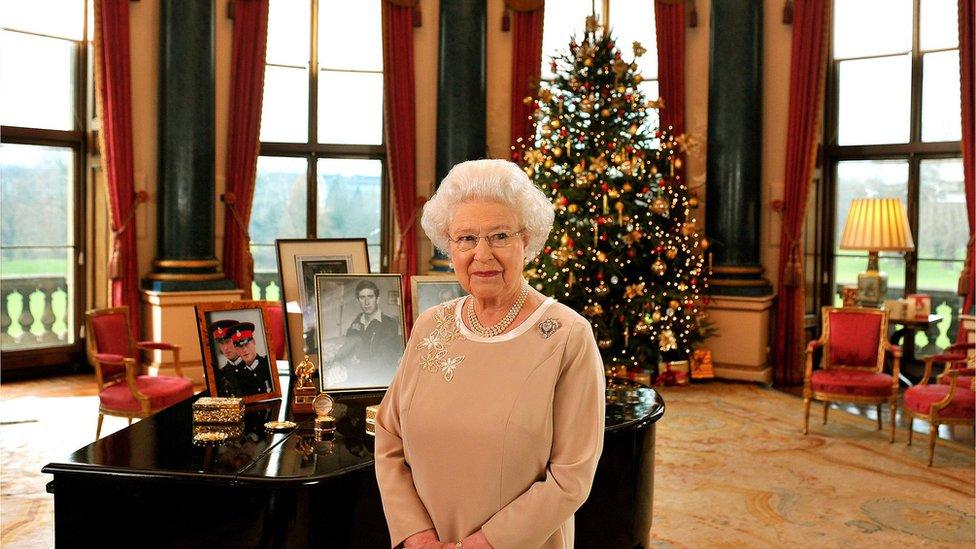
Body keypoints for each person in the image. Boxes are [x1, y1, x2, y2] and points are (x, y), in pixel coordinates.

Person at [375, 159, 606, 549]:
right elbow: (388, 436)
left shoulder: (568, 336)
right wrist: (416, 536)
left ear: (527, 241)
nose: (481, 255)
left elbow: (572, 477)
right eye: (465, 239)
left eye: (499, 236)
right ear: (449, 246)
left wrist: (485, 544)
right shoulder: (432, 324)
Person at [336, 279, 403, 372]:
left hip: (379, 376)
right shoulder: (357, 321)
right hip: (356, 373)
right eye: (362, 297)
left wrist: (356, 366)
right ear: (357, 301)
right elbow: (347, 347)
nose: (366, 302)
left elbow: (385, 359)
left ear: (377, 299)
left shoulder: (389, 324)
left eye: (370, 297)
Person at [227, 322, 274, 395]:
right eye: (239, 346)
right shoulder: (238, 376)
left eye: (246, 344)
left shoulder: (269, 364)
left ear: (254, 342)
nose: (244, 350)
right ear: (236, 349)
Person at [210, 319, 244, 397]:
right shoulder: (221, 374)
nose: (225, 348)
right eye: (221, 343)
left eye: (228, 341)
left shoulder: (254, 366)